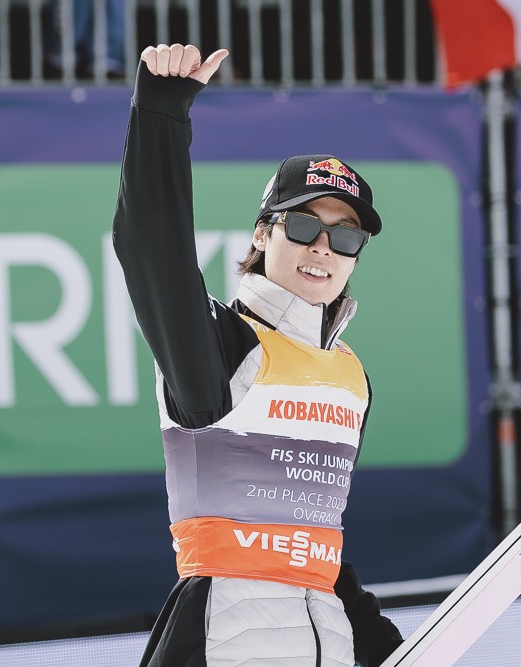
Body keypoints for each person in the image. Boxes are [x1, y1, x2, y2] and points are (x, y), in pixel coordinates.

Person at [113, 43, 404, 667]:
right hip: (223, 642)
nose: (323, 247)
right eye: (303, 226)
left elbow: (316, 543)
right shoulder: (222, 343)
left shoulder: (349, 375)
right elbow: (151, 250)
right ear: (263, 233)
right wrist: (161, 114)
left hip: (324, 642)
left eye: (345, 235)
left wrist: (382, 646)